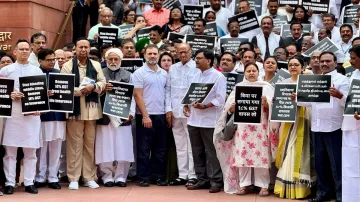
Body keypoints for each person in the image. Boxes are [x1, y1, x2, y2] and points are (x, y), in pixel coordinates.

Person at [293, 52, 349, 202]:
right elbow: (309, 102)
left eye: (327, 61)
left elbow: (349, 104)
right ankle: (323, 193)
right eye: (321, 61)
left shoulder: (342, 80)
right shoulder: (315, 80)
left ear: (335, 62)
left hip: (334, 128)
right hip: (316, 127)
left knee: (336, 165)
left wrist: (339, 96)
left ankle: (340, 196)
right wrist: (297, 99)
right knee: (320, 164)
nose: (324, 63)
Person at [214, 62, 275, 196]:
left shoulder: (266, 87)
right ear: (245, 73)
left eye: (254, 71)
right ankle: (244, 184)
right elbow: (228, 108)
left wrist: (267, 103)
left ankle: (263, 185)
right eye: (249, 71)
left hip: (260, 126)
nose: (251, 73)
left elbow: (273, 106)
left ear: (259, 72)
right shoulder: (239, 87)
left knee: (261, 155)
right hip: (242, 128)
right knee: (243, 154)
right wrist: (232, 108)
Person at [61, 38, 106, 190]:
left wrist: (93, 87)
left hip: (92, 110)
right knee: (74, 145)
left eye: (86, 47)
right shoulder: (67, 66)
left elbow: (102, 82)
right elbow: (64, 87)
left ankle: (89, 177)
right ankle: (73, 177)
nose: (83, 50)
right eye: (81, 47)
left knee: (89, 145)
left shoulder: (96, 65)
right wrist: (82, 90)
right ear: (75, 49)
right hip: (75, 111)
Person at [0, 39, 44, 195]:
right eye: (22, 49)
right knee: (10, 151)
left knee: (31, 151)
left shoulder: (37, 71)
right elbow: (1, 92)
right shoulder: (6, 71)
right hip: (12, 114)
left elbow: (41, 94)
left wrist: (40, 107)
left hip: (31, 115)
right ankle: (10, 182)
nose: (25, 51)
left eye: (27, 49)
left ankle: (29, 182)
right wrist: (10, 94)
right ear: (15, 51)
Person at [184, 49, 226, 193]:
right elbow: (189, 93)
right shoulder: (193, 74)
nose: (196, 60)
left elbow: (220, 99)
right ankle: (202, 180)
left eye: (199, 58)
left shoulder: (218, 77)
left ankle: (216, 181)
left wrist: (205, 106)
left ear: (208, 61)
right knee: (197, 151)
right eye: (196, 57)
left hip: (210, 121)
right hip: (193, 120)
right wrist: (186, 104)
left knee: (212, 152)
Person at [274, 56, 315, 199]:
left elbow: (313, 103)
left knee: (302, 153)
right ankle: (285, 188)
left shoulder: (307, 83)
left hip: (304, 121)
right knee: (288, 152)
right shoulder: (283, 84)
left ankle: (301, 190)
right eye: (290, 65)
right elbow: (279, 106)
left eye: (296, 65)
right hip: (288, 124)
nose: (293, 67)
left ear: (303, 67)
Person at [95, 48, 135, 187]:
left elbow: (133, 95)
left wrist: (132, 112)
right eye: (110, 59)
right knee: (105, 147)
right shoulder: (100, 74)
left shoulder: (128, 75)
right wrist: (102, 90)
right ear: (105, 60)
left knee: (123, 146)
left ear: (120, 60)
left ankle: (121, 176)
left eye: (116, 59)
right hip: (104, 116)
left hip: (122, 115)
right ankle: (107, 176)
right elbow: (93, 93)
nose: (113, 62)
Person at [132, 44, 168, 187]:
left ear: (158, 54)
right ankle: (143, 177)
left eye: (155, 53)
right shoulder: (139, 73)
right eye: (150, 54)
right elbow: (137, 95)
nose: (152, 56)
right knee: (144, 148)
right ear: (144, 55)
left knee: (160, 148)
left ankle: (158, 176)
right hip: (145, 115)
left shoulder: (164, 73)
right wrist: (145, 116)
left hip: (161, 114)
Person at [165, 43, 199, 187]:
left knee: (192, 145)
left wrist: (190, 104)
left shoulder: (197, 68)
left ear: (191, 52)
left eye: (185, 52)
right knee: (179, 145)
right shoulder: (172, 68)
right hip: (175, 111)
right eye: (180, 52)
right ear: (176, 53)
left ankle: (193, 174)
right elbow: (168, 90)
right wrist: (168, 109)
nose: (183, 55)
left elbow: (197, 89)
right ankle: (182, 174)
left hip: (191, 112)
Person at [34, 48, 65, 190]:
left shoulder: (60, 75)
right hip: (41, 116)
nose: (52, 62)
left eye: (54, 59)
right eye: (49, 60)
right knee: (41, 147)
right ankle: (40, 177)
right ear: (40, 61)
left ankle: (53, 176)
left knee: (56, 147)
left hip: (58, 116)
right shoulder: (34, 74)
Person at [343, 45, 360, 202]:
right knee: (350, 165)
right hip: (351, 125)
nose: (350, 61)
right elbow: (350, 100)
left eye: (353, 58)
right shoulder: (353, 75)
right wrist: (340, 96)